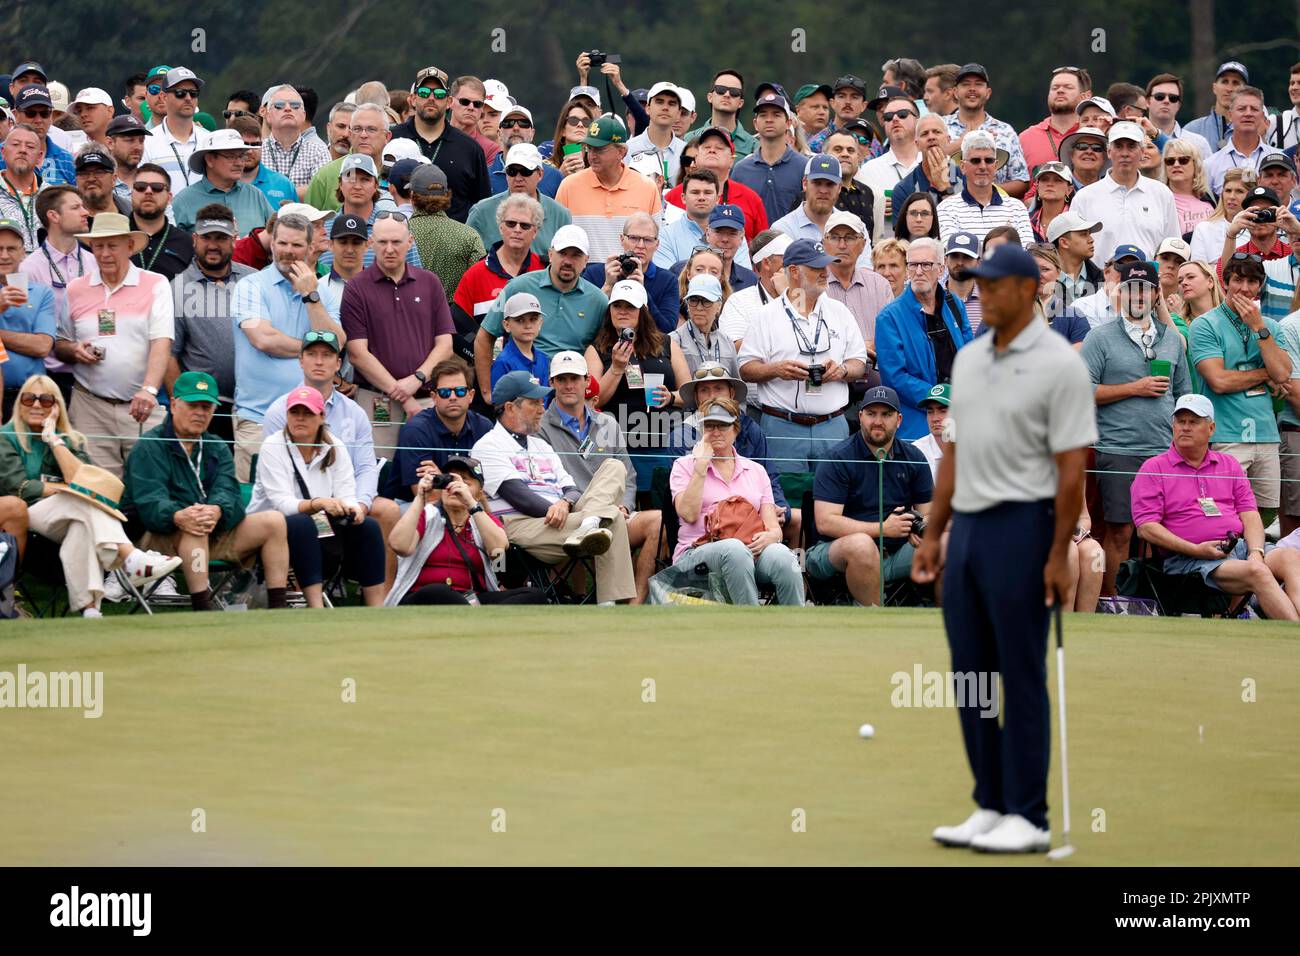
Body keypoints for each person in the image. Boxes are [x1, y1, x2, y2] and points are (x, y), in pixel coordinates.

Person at [914, 243, 1097, 854]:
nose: (980, 295)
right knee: (971, 675)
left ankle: (1030, 813)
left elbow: (1072, 468)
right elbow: (955, 456)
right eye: (976, 287)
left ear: (1026, 291)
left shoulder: (1059, 365)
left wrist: (1055, 552)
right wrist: (935, 534)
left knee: (1017, 671)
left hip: (1026, 525)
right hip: (967, 529)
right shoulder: (968, 361)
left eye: (992, 286)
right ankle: (989, 804)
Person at [0, 374, 181, 616]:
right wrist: (64, 488)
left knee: (81, 525)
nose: (35, 405)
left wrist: (54, 439)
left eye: (45, 400)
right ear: (18, 402)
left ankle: (90, 610)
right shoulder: (5, 437)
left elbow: (81, 481)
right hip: (24, 517)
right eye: (29, 398)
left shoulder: (71, 440)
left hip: (64, 518)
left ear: (56, 408)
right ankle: (129, 558)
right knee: (80, 499)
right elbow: (19, 487)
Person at [123, 370, 292, 611]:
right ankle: (202, 609)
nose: (200, 413)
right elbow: (149, 502)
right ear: (173, 404)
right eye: (193, 405)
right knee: (194, 526)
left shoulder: (216, 445)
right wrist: (180, 515)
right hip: (157, 536)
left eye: (206, 407)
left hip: (211, 532)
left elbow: (229, 491)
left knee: (274, 521)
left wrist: (217, 509)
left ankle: (278, 607)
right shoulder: (149, 446)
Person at [473, 370, 636, 604]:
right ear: (510, 408)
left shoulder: (540, 445)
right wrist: (560, 508)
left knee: (614, 466)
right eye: (534, 403)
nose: (542, 409)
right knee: (612, 516)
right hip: (520, 525)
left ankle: (589, 525)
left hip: (563, 518)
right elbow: (520, 497)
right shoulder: (488, 445)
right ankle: (609, 604)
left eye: (542, 402)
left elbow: (571, 489)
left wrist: (565, 503)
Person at [1132, 393, 1300, 621]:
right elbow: (1146, 528)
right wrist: (1195, 549)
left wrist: (1256, 552)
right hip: (1186, 558)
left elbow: (1250, 515)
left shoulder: (1228, 464)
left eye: (1193, 422)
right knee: (1257, 572)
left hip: (1237, 548)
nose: (1185, 427)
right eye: (1180, 421)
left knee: (1290, 556)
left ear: (1211, 429)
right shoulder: (1154, 468)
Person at [1081, 260, 1193, 596]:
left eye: (1145, 288)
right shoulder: (1099, 337)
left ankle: (1156, 601)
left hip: (1163, 451)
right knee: (1120, 532)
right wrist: (1135, 388)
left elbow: (1184, 394)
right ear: (1121, 292)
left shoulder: (1172, 340)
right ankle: (1112, 602)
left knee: (1163, 533)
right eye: (1132, 288)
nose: (1139, 295)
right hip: (1118, 450)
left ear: (1157, 293)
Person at [262, 329, 398, 586]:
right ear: (301, 360)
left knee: (388, 510)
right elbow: (279, 476)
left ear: (338, 364)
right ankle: (305, 583)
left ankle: (384, 598)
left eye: (327, 355)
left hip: (347, 497)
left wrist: (360, 504)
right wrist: (319, 503)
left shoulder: (355, 413)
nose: (319, 361)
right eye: (312, 354)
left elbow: (366, 467)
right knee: (307, 520)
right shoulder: (279, 411)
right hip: (301, 502)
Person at [53, 213, 173, 478]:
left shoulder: (155, 284)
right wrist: (74, 350)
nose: (105, 253)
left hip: (141, 406)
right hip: (89, 406)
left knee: (147, 485)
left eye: (112, 245)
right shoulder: (75, 289)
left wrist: (149, 390)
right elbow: (60, 343)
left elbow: (161, 342)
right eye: (98, 246)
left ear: (129, 246)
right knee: (97, 491)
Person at [230, 212, 345, 482]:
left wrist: (310, 296)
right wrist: (315, 352)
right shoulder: (250, 286)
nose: (288, 251)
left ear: (309, 248)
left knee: (307, 509)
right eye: (282, 243)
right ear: (272, 244)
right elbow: (263, 339)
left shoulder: (320, 292)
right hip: (257, 418)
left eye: (296, 245)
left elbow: (336, 343)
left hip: (312, 422)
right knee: (255, 512)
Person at [737, 239, 868, 473]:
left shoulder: (840, 312)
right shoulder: (767, 316)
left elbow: (859, 362)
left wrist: (842, 371)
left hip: (832, 425)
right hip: (782, 425)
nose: (824, 273)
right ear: (794, 271)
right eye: (816, 267)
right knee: (787, 501)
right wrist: (776, 370)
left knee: (834, 499)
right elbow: (745, 368)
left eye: (825, 266)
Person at [539, 350, 660, 604]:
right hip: (571, 515)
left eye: (574, 378)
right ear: (552, 383)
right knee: (610, 485)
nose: (568, 385)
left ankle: (633, 606)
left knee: (657, 520)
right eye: (561, 379)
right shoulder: (540, 427)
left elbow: (629, 475)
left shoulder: (608, 423)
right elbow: (545, 480)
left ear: (586, 381)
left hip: (612, 512)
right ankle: (594, 525)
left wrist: (625, 505)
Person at [249, 385, 384, 608]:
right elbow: (282, 504)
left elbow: (346, 493)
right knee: (303, 523)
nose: (300, 418)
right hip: (271, 527)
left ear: (321, 416)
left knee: (367, 526)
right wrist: (319, 503)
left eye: (308, 413)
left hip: (317, 523)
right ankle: (316, 608)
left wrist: (354, 510)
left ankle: (377, 608)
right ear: (287, 415)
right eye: (295, 412)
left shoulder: (334, 446)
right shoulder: (273, 445)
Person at [806, 385, 932, 605]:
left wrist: (920, 528)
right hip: (834, 552)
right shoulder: (838, 458)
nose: (878, 421)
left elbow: (928, 514)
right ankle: (874, 622)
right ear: (861, 416)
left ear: (899, 419)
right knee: (862, 546)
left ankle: (943, 622)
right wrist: (884, 529)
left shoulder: (914, 457)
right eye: (871, 414)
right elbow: (826, 523)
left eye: (886, 414)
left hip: (897, 552)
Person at [669, 397, 803, 605]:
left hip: (751, 549)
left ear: (736, 429)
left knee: (784, 556)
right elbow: (688, 514)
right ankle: (749, 626)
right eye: (709, 425)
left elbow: (773, 528)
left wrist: (771, 537)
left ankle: (796, 628)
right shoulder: (685, 465)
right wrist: (701, 467)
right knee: (734, 549)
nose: (715, 432)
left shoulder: (756, 470)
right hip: (696, 552)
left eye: (723, 425)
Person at [340, 212, 454, 455]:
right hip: (377, 401)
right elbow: (358, 354)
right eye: (382, 242)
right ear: (371, 243)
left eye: (396, 242)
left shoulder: (430, 282)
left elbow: (445, 344)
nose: (389, 249)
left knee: (429, 471)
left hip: (426, 397)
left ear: (410, 242)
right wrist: (403, 395)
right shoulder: (356, 288)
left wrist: (417, 379)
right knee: (379, 470)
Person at [1190, 252, 1291, 524]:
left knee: (1267, 513)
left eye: (1252, 281)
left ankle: (1253, 560)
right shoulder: (1205, 324)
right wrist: (1264, 373)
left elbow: (1282, 372)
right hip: (1225, 433)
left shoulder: (1269, 326)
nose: (1245, 288)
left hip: (1266, 434)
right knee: (1223, 511)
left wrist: (1258, 327)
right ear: (1225, 282)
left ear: (1261, 285)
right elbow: (1219, 381)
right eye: (1238, 280)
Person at [474, 225, 608, 403]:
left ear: (586, 261)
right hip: (523, 390)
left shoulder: (598, 300)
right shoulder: (518, 286)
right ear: (551, 254)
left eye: (576, 255)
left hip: (569, 391)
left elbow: (601, 352)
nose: (568, 261)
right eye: (562, 253)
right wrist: (487, 392)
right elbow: (485, 336)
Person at [386, 454, 544, 605]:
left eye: (465, 483)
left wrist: (471, 504)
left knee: (534, 595)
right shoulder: (427, 515)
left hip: (472, 599)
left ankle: (474, 618)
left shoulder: (483, 519)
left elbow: (498, 551)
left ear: (479, 493)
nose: (454, 487)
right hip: (424, 598)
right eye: (449, 480)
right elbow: (400, 546)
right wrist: (420, 498)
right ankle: (482, 621)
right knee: (439, 591)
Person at [166, 205, 255, 443]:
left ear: (234, 240)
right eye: (207, 237)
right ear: (195, 239)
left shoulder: (252, 280)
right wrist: (183, 405)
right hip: (203, 407)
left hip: (251, 406)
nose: (213, 245)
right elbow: (170, 356)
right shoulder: (177, 288)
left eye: (221, 238)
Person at [875, 237, 972, 440]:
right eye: (913, 265)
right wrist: (940, 397)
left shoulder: (954, 304)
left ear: (941, 268)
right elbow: (895, 377)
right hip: (918, 422)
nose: (918, 272)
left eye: (926, 264)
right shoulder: (889, 317)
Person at [586, 280, 679, 489]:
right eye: (617, 306)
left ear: (643, 311)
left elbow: (690, 392)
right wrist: (617, 368)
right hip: (618, 443)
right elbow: (593, 399)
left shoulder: (666, 343)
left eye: (630, 306)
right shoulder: (597, 348)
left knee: (660, 507)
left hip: (661, 440)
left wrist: (671, 397)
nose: (622, 311)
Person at [452, 195, 547, 368]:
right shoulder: (475, 274)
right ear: (501, 227)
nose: (517, 229)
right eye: (511, 223)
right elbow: (458, 330)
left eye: (525, 225)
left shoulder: (544, 271)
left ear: (535, 232)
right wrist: (484, 358)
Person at [1071, 122, 1180, 269]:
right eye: (1118, 146)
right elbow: (1074, 250)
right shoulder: (1085, 197)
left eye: (1131, 146)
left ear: (1142, 152)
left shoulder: (1162, 193)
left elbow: (1172, 246)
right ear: (1109, 152)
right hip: (1100, 286)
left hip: (1149, 285)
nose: (1125, 153)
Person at [387, 67, 491, 222]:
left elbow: (482, 207)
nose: (431, 98)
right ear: (413, 99)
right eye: (424, 92)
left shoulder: (470, 148)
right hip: (397, 238)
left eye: (439, 94)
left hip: (452, 242)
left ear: (449, 101)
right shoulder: (392, 139)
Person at [555, 116, 663, 262]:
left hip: (630, 277)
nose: (592, 156)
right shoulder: (569, 186)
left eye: (600, 149)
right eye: (589, 148)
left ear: (621, 152)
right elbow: (557, 241)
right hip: (582, 279)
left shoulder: (647, 187)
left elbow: (656, 243)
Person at [388, 357, 494, 503]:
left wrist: (442, 479)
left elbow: (488, 485)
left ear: (471, 396)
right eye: (444, 392)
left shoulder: (484, 427)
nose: (452, 397)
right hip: (413, 506)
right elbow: (427, 496)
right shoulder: (416, 430)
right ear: (434, 397)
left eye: (460, 391)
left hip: (467, 505)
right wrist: (467, 486)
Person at [942, 64, 1030, 198]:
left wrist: (986, 190)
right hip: (947, 209)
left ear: (988, 93)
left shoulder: (1005, 131)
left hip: (994, 211)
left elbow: (1021, 181)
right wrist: (961, 143)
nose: (972, 89)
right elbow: (922, 163)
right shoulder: (939, 126)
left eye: (978, 84)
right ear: (955, 92)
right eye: (965, 84)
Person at [467, 144, 571, 256]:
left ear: (540, 174)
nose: (518, 178)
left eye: (525, 171)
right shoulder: (481, 212)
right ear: (506, 174)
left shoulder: (560, 215)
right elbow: (467, 256)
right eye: (512, 171)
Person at [585, 212, 681, 333]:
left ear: (657, 244)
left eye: (648, 240)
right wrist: (607, 288)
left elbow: (667, 329)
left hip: (647, 349)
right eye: (634, 238)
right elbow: (583, 322)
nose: (640, 245)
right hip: (602, 346)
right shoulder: (596, 273)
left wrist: (642, 291)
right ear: (621, 239)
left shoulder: (668, 280)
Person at [822, 210, 892, 374]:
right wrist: (859, 348)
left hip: (874, 376)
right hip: (830, 376)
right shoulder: (812, 286)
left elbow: (893, 336)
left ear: (863, 244)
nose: (842, 245)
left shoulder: (879, 285)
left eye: (850, 237)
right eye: (834, 237)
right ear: (823, 243)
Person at [1, 216, 57, 419]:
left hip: (33, 398)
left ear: (23, 252)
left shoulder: (41, 293)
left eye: (11, 249)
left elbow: (42, 346)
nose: (4, 255)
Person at [171, 128, 274, 235]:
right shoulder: (183, 201)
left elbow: (275, 233)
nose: (239, 163)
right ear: (210, 159)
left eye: (241, 156)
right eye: (231, 157)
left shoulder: (255, 195)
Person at [936, 132, 1033, 246]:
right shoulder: (946, 208)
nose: (983, 166)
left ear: (996, 166)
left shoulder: (1017, 208)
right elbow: (951, 255)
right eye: (976, 160)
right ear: (962, 166)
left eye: (989, 160)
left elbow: (1029, 252)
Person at [730, 90, 805, 226]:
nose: (769, 120)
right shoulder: (741, 170)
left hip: (792, 244)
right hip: (752, 245)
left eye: (776, 115)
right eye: (763, 115)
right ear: (755, 123)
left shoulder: (804, 166)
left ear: (788, 123)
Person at [857, 93, 922, 241]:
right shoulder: (869, 170)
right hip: (886, 252)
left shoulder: (937, 164)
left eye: (903, 114)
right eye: (888, 116)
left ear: (918, 121)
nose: (895, 119)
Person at [139, 68, 213, 195]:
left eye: (193, 93)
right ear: (164, 97)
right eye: (180, 93)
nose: (188, 98)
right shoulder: (147, 142)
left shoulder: (210, 140)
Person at [717, 231, 789, 348]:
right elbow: (734, 348)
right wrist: (785, 299)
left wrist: (788, 296)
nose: (795, 262)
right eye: (787, 257)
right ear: (766, 263)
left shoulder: (805, 293)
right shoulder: (739, 301)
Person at [258, 84, 331, 196]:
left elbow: (323, 190)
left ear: (303, 115)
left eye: (295, 105)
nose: (287, 108)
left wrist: (275, 194)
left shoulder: (319, 151)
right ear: (267, 115)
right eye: (279, 105)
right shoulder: (256, 150)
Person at [127, 162, 193, 280]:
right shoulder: (116, 236)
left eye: (157, 187)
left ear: (169, 197)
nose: (148, 191)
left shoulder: (187, 243)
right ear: (131, 193)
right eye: (140, 186)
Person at [1019, 67, 1089, 174]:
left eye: (1068, 87)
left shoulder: (1094, 134)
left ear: (1085, 96)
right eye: (1055, 88)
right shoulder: (1025, 138)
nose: (1060, 90)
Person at [1204, 87, 1271, 196]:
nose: (1248, 113)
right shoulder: (1210, 165)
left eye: (1254, 109)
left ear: (1262, 116)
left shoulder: (1279, 158)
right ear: (1230, 115)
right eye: (1242, 109)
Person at [671, 273, 736, 379]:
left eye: (706, 301)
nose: (699, 307)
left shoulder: (727, 342)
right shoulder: (673, 341)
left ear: (719, 305)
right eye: (693, 300)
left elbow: (735, 386)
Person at [625, 81, 687, 186]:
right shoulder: (628, 149)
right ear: (648, 108)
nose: (665, 108)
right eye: (659, 102)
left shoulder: (686, 152)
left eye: (672, 103)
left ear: (679, 113)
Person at [1027, 244, 1090, 347]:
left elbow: (1079, 357)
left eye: (1045, 269)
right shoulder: (1011, 313)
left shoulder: (1074, 317)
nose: (1038, 275)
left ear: (1058, 273)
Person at [1189, 167, 1252, 263]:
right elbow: (1198, 270)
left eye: (1239, 191)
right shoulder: (1204, 228)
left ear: (1251, 195)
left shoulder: (1260, 229)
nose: (1231, 197)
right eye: (1228, 190)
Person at [1145, 73, 1213, 160]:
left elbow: (1207, 173)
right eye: (1160, 96)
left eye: (1173, 98)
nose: (1166, 101)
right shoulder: (1134, 140)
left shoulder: (1199, 143)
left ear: (1179, 105)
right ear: (1147, 101)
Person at [0, 124, 46, 252]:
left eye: (30, 146)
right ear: (3, 152)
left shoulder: (52, 196)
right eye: (15, 144)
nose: (23, 150)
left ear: (39, 157)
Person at [491, 292, 549, 389]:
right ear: (507, 325)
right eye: (520, 320)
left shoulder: (543, 358)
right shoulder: (503, 362)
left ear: (540, 323)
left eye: (533, 319)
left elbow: (546, 396)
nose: (528, 326)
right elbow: (499, 401)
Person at [1161, 138, 1215, 237]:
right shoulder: (1160, 200)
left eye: (1183, 160)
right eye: (1170, 161)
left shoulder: (1211, 197)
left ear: (1196, 164)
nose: (1176, 165)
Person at [545, 98, 599, 176]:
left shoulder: (597, 168)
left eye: (586, 122)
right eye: (573, 120)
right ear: (563, 130)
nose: (580, 125)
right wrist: (560, 175)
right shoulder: (545, 167)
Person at [1026, 161, 1073, 244]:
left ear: (1069, 190)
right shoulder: (1025, 220)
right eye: (1044, 180)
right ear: (1037, 187)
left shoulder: (1077, 222)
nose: (1050, 184)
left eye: (1057, 180)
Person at [913, 382, 948, 479]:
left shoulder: (973, 450)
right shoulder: (915, 451)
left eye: (943, 411)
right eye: (930, 412)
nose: (935, 418)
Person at [1057, 125, 1108, 191]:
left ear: (1104, 158)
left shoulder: (1113, 190)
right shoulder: (1058, 189)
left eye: (1097, 148)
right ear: (1071, 155)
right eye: (1082, 146)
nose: (1089, 151)